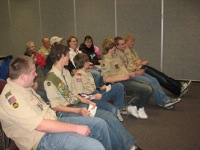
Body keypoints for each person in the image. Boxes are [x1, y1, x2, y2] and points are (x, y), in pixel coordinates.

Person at [0, 55, 112, 150]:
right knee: (94, 145)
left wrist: (86, 101)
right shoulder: (13, 98)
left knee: (99, 124)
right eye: (33, 72)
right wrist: (76, 125)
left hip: (55, 118)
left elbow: (72, 96)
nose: (36, 75)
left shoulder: (65, 73)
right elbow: (44, 121)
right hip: (42, 136)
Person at [44, 44, 141, 150]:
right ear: (61, 56)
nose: (69, 58)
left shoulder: (66, 72)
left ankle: (130, 144)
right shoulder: (51, 79)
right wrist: (78, 110)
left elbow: (74, 94)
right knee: (102, 122)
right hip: (66, 112)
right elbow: (55, 106)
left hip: (78, 104)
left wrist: (87, 101)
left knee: (109, 116)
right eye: (67, 55)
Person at [114, 36, 181, 109]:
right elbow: (123, 70)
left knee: (154, 80)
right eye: (122, 44)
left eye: (124, 43)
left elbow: (131, 64)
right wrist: (137, 72)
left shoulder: (126, 51)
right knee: (149, 82)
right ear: (117, 46)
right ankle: (164, 101)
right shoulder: (117, 56)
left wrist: (138, 69)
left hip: (134, 71)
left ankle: (165, 100)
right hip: (129, 75)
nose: (124, 45)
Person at [123, 34, 191, 97]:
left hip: (141, 67)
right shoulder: (125, 51)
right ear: (126, 42)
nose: (133, 43)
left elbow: (136, 61)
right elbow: (131, 65)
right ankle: (177, 90)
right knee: (160, 78)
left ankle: (179, 86)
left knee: (161, 75)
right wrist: (140, 63)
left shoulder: (132, 50)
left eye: (133, 41)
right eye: (131, 41)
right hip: (138, 69)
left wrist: (140, 62)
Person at [73, 53, 134, 122]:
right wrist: (93, 97)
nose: (89, 63)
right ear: (84, 63)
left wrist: (100, 88)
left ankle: (119, 109)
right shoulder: (78, 77)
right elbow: (80, 95)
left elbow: (90, 88)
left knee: (118, 86)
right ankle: (114, 116)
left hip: (96, 94)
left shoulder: (88, 73)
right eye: (87, 61)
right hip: (92, 100)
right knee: (112, 109)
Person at [101, 38, 152, 119]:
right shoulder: (105, 61)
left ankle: (136, 106)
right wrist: (123, 77)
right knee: (147, 89)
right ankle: (137, 106)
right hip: (120, 82)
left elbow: (122, 68)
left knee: (149, 86)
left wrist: (128, 73)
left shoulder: (115, 57)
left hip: (127, 77)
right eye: (114, 46)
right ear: (110, 48)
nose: (115, 48)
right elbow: (106, 79)